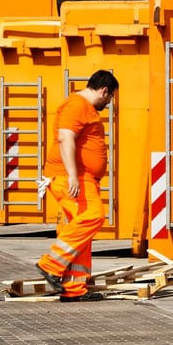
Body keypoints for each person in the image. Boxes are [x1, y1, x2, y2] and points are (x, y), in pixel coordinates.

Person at [36, 70, 118, 301]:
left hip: (83, 178)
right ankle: (50, 264)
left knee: (82, 231)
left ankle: (73, 290)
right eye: (110, 97)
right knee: (93, 216)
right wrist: (72, 175)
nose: (109, 102)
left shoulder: (84, 107)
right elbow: (65, 138)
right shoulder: (77, 105)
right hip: (71, 177)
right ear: (104, 90)